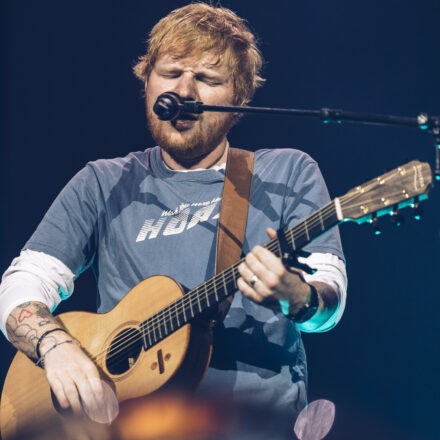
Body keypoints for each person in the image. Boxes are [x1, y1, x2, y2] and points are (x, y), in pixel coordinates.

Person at [0, 3, 346, 423]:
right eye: (170, 74)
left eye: (206, 79)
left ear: (237, 100)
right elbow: (23, 283)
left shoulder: (286, 173)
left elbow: (329, 299)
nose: (183, 92)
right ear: (146, 84)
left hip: (254, 426)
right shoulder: (103, 181)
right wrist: (56, 346)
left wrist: (300, 298)